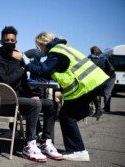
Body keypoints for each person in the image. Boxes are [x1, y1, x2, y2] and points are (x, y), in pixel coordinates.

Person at [18, 32, 109, 161]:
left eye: (39, 46)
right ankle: (76, 145)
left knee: (67, 116)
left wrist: (25, 63)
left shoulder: (56, 52)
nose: (39, 49)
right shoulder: (63, 49)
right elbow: (50, 70)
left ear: (43, 43)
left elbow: (43, 71)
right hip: (94, 82)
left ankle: (78, 151)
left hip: (86, 85)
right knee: (68, 114)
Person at [0, 26, 62, 162]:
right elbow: (6, 81)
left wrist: (32, 93)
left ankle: (46, 141)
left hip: (20, 100)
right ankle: (29, 144)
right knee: (34, 104)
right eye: (6, 40)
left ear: (16, 42)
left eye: (12, 40)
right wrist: (23, 66)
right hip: (4, 103)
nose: (9, 43)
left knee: (50, 103)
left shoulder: (19, 59)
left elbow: (23, 83)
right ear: (1, 42)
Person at [88, 46, 116, 113]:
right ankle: (105, 108)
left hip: (109, 77)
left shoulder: (92, 58)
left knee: (106, 93)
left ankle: (106, 108)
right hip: (108, 75)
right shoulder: (104, 56)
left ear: (92, 52)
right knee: (106, 93)